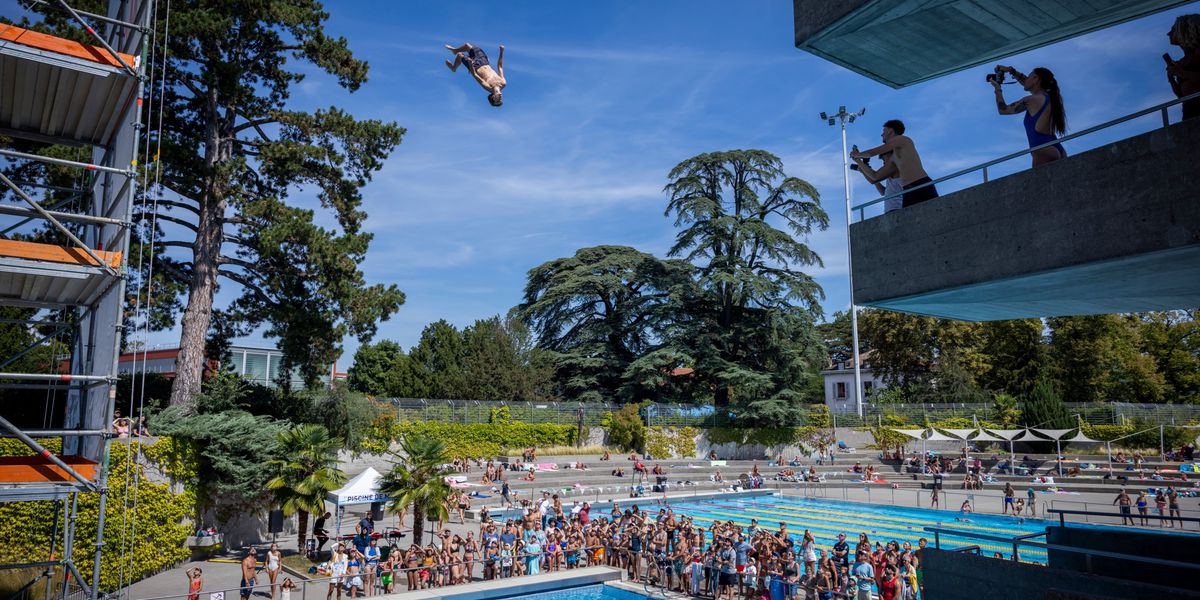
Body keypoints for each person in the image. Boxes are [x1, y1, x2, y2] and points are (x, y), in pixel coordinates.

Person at [991, 65, 1067, 166]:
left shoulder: (1031, 100)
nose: (1025, 79)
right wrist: (1011, 71)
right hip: (1057, 148)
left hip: (1042, 150)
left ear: (1036, 79)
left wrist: (997, 88)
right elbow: (1027, 83)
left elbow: (1003, 110)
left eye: (1029, 76)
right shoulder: (1048, 97)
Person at [851, 120, 937, 208]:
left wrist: (856, 154)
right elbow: (875, 177)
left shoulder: (902, 139)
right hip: (907, 190)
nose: (881, 134)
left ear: (890, 131)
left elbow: (871, 153)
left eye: (883, 131)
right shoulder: (894, 158)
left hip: (921, 184)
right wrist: (858, 161)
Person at [1167, 14, 1200, 120]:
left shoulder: (1198, 53)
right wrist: (1171, 78)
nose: (1168, 34)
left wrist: (1180, 72)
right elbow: (1181, 95)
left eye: (1173, 30)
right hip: (1188, 111)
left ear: (1185, 29)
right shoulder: (1182, 62)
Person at [851, 149, 904, 214]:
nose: (883, 162)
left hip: (896, 208)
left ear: (890, 155)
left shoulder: (894, 166)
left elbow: (873, 179)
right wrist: (863, 170)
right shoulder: (892, 171)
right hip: (892, 209)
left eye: (884, 159)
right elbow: (883, 192)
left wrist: (859, 161)